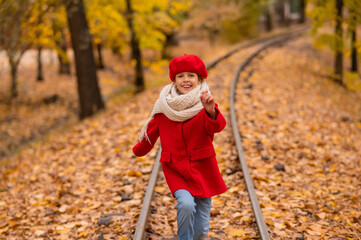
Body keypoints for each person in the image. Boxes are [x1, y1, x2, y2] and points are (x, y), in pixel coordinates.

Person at [132, 54, 227, 240]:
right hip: (176, 168)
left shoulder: (204, 103)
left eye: (191, 75)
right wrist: (138, 150)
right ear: (174, 80)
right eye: (180, 76)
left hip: (203, 169)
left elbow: (217, 126)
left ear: (200, 79)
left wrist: (210, 110)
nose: (186, 80)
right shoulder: (164, 107)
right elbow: (151, 133)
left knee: (201, 230)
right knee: (185, 205)